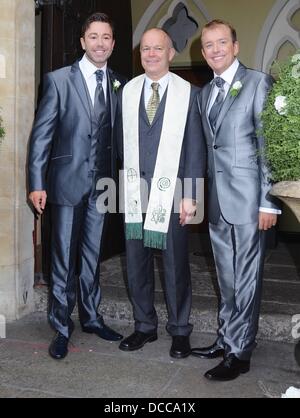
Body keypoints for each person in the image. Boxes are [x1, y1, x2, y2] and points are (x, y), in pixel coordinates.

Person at [28, 12, 127, 360]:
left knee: (92, 255)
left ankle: (91, 316)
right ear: (83, 42)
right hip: (66, 183)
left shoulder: (119, 83)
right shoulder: (58, 81)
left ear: (113, 44)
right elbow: (41, 136)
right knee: (62, 259)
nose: (100, 43)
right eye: (94, 36)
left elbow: (120, 140)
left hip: (103, 186)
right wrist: (37, 183)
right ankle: (61, 325)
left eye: (106, 37)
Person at [192, 19, 281, 380]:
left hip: (248, 202)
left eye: (222, 43)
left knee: (245, 278)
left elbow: (269, 147)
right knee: (226, 278)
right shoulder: (204, 93)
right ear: (202, 52)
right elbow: (206, 149)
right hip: (217, 202)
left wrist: (269, 201)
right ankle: (227, 338)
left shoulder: (258, 83)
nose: (215, 50)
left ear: (235, 46)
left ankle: (240, 353)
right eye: (209, 45)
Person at [117, 28, 206, 358]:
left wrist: (191, 194)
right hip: (133, 191)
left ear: (171, 53)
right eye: (145, 50)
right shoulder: (126, 92)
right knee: (137, 264)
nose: (151, 54)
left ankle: (180, 330)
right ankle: (144, 326)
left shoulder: (190, 94)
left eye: (158, 49)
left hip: (174, 193)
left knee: (175, 265)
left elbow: (196, 149)